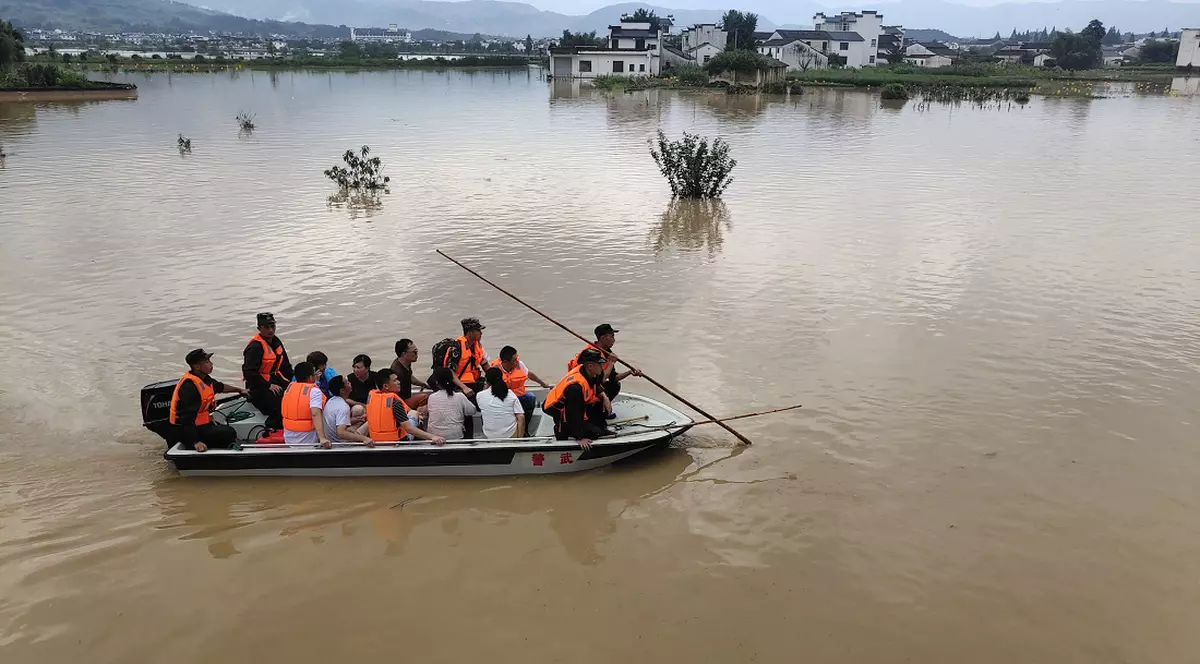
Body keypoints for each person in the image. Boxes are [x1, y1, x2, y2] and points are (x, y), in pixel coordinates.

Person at [170, 348, 249, 452]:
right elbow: (187, 418)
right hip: (187, 430)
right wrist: (195, 442)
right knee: (228, 432)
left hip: (203, 425)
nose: (211, 364)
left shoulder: (205, 379)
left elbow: (220, 387)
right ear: (197, 367)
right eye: (207, 362)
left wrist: (239, 390)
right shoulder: (189, 387)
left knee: (226, 431)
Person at [543, 349, 611, 450]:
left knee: (600, 427)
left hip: (576, 406)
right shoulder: (575, 387)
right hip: (559, 408)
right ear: (590, 366)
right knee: (594, 433)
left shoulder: (590, 372)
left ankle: (594, 427)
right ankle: (563, 430)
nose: (602, 367)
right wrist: (579, 437)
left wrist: (605, 397)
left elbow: (596, 385)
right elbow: (572, 413)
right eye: (600, 364)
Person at [567, 323, 642, 411]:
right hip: (580, 388)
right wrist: (611, 362)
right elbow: (600, 379)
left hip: (594, 385)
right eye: (612, 336)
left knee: (615, 385)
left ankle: (601, 409)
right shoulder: (591, 354)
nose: (614, 340)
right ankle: (594, 410)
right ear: (603, 338)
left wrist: (629, 372)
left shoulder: (607, 353)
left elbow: (613, 377)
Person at [242, 312, 293, 429]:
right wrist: (267, 385)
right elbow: (249, 373)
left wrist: (295, 382)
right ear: (259, 328)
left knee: (293, 394)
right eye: (266, 327)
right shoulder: (255, 347)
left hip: (276, 380)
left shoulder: (276, 341)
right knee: (280, 402)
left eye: (272, 326)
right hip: (258, 387)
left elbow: (285, 366)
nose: (270, 330)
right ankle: (272, 427)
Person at [367, 369, 445, 445]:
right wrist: (433, 437)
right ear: (386, 386)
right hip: (398, 441)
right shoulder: (395, 402)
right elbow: (409, 429)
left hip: (376, 440)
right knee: (414, 413)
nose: (399, 382)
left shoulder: (371, 399)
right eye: (395, 380)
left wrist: (363, 438)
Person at [490, 345, 549, 428]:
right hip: (504, 399)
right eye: (514, 360)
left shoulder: (519, 364)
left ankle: (525, 428)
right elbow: (488, 386)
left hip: (519, 397)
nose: (517, 362)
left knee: (531, 397)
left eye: (516, 358)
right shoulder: (495, 370)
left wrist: (542, 384)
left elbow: (529, 374)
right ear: (506, 362)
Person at [281, 362, 331, 448]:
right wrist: (322, 438)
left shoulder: (288, 389)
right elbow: (315, 413)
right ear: (310, 377)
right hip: (307, 438)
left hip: (288, 437)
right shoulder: (314, 391)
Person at [441, 317, 490, 398]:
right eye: (478, 331)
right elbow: (449, 371)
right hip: (459, 384)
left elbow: (485, 366)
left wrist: (496, 379)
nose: (481, 333)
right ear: (470, 333)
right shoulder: (456, 348)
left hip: (473, 381)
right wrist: (464, 387)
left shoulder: (477, 346)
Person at [426, 366, 478, 441]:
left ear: (437, 382)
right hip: (455, 436)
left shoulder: (431, 397)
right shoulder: (460, 396)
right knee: (468, 415)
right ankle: (469, 443)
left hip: (434, 436)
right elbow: (472, 411)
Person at [323, 375, 374, 446]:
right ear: (342, 390)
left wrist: (358, 419)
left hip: (332, 439)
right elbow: (341, 433)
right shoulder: (343, 407)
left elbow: (338, 423)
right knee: (373, 420)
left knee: (360, 420)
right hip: (342, 444)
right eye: (347, 382)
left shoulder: (330, 401)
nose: (350, 383)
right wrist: (364, 438)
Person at [477, 367, 526, 439]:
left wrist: (485, 388)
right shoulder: (510, 394)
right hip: (510, 435)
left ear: (486, 380)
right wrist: (520, 439)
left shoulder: (480, 396)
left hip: (489, 436)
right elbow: (521, 417)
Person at [389, 338, 430, 410]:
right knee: (424, 397)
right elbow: (394, 395)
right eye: (414, 352)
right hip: (400, 403)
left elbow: (409, 377)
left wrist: (423, 384)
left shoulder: (405, 363)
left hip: (407, 398)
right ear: (404, 354)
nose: (416, 355)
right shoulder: (397, 372)